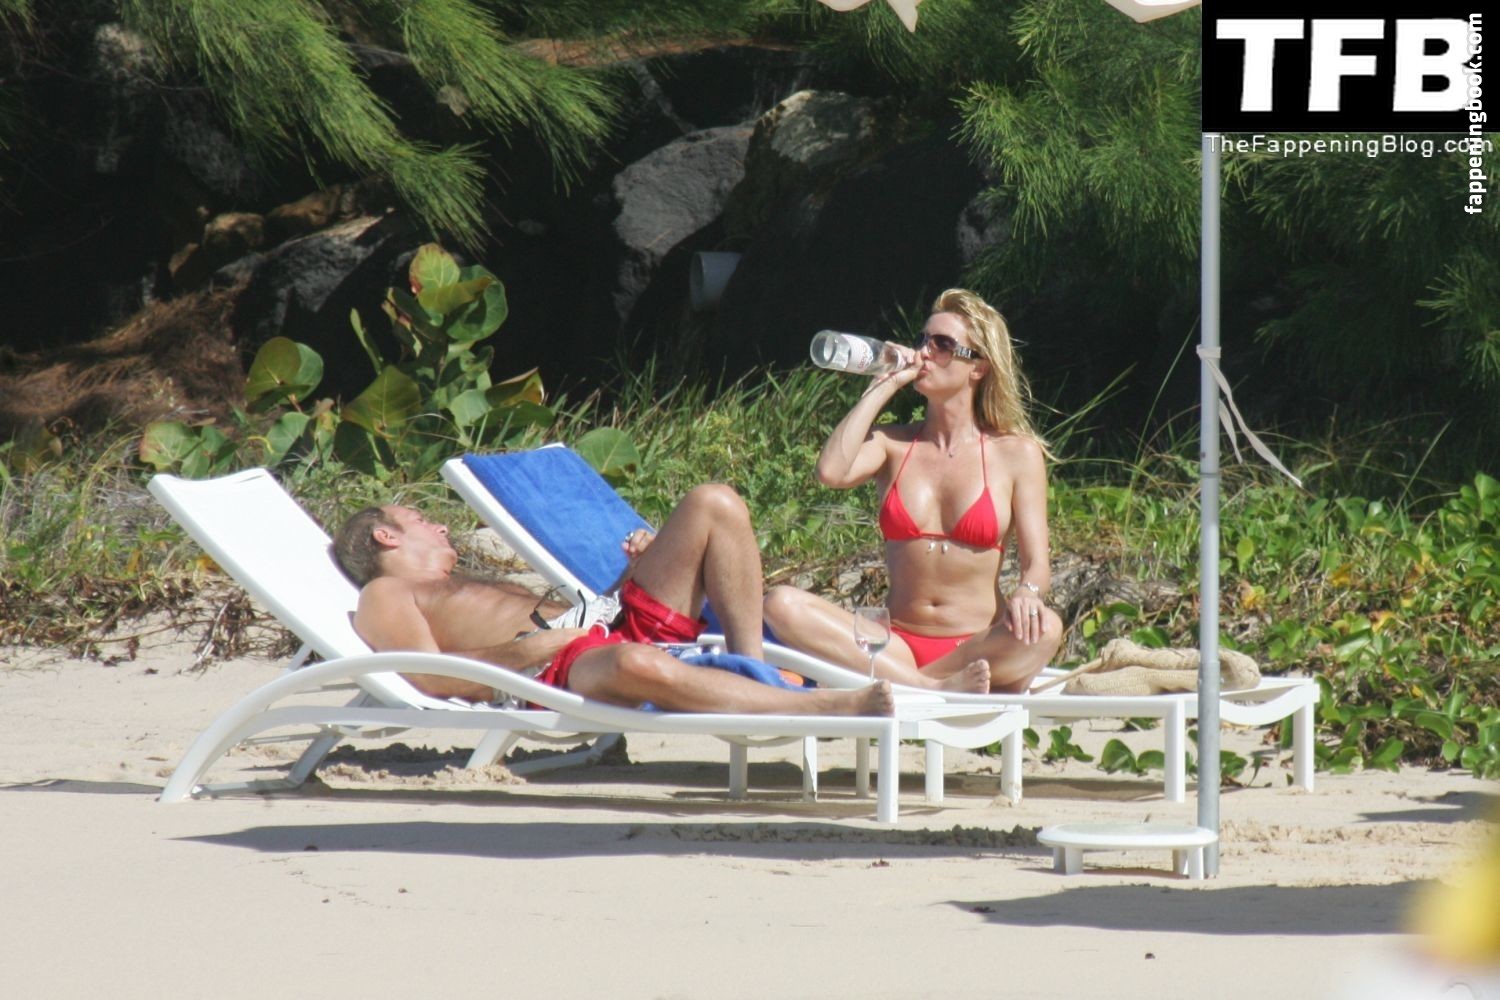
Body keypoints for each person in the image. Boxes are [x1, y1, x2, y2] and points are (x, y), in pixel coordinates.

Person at [332, 483, 893, 717]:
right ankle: (817, 708)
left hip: (600, 623)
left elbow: (582, 618)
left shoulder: (458, 584)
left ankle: (756, 670)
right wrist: (526, 652)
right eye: (418, 519)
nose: (440, 527)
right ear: (386, 536)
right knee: (632, 663)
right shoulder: (386, 592)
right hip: (548, 667)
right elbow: (427, 676)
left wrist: (632, 575)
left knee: (714, 502)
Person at [764, 288, 1063, 694]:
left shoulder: (1015, 454)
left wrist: (1028, 593)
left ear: (977, 367)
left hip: (974, 646)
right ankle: (929, 686)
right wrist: (883, 385)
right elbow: (830, 472)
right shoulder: (893, 444)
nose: (924, 352)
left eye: (942, 345)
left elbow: (1037, 563)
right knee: (780, 603)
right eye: (923, 340)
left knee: (1047, 628)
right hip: (896, 645)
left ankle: (916, 683)